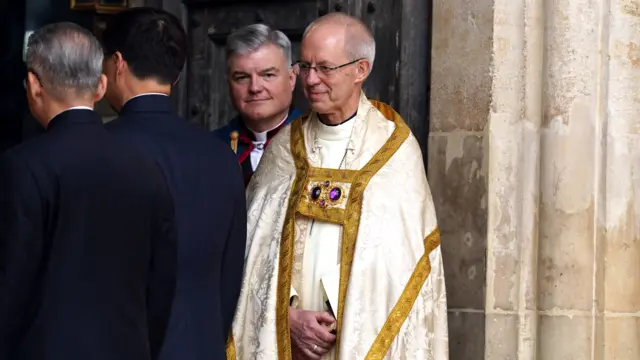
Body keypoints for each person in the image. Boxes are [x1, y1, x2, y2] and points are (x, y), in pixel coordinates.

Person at [227, 13, 448, 360]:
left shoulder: (393, 151)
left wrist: (338, 315)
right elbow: (255, 253)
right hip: (287, 339)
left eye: (325, 68)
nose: (311, 80)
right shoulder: (286, 148)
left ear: (360, 70)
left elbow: (400, 264)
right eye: (306, 66)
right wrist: (286, 315)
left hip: (355, 337)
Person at [0, 22, 177, 360]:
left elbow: (11, 285)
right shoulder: (144, 165)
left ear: (34, 85)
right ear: (101, 85)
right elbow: (162, 283)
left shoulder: (23, 166)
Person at [101, 7, 247, 360]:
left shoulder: (98, 150)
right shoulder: (221, 156)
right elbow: (230, 278)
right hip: (200, 345)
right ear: (176, 75)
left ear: (117, 64)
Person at [213, 24, 301, 186]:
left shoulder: (317, 143)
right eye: (242, 77)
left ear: (291, 79)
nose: (254, 88)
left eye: (267, 75)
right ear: (229, 84)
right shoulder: (210, 148)